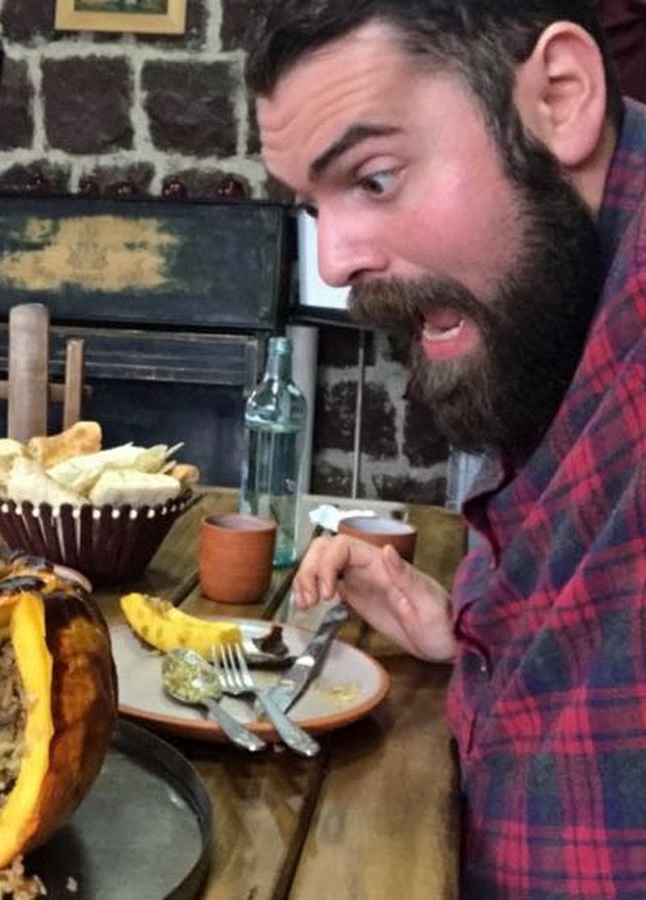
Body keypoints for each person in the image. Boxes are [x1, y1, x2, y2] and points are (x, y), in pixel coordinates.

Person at [247, 1, 646, 895]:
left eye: (375, 178)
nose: (335, 261)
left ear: (561, 97)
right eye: (313, 204)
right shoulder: (554, 300)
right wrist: (475, 631)